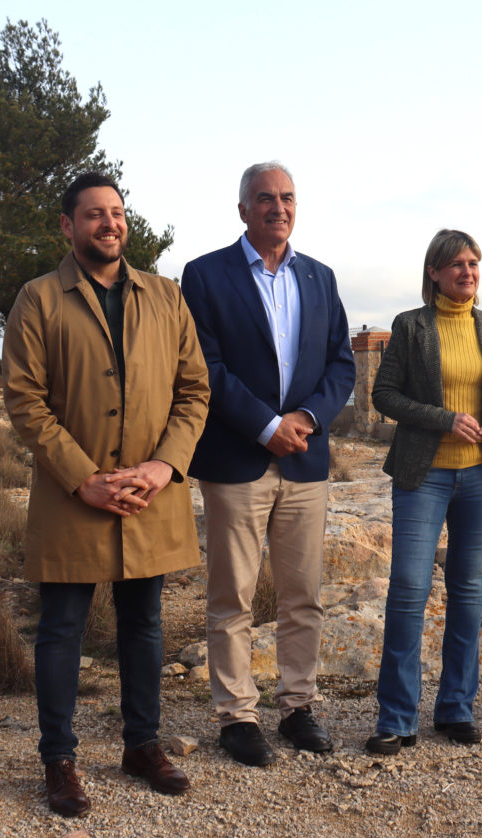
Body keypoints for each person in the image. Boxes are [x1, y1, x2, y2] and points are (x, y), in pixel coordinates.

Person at [2, 172, 210, 816]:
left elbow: (194, 391)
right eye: (94, 215)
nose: (109, 224)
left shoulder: (167, 297)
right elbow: (24, 399)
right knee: (61, 628)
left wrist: (163, 466)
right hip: (74, 496)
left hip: (150, 494)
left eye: (117, 213)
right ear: (68, 226)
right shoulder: (37, 299)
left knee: (144, 625)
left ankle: (142, 746)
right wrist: (83, 478)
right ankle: (58, 760)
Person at [180, 162, 355, 767]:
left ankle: (298, 707)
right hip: (237, 459)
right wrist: (265, 425)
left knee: (302, 594)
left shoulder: (321, 277)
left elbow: (342, 366)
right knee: (233, 595)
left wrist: (303, 419)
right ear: (242, 210)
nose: (277, 208)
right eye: (264, 199)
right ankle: (237, 716)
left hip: (305, 460)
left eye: (286, 198)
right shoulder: (204, 276)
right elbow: (206, 365)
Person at [365, 229, 482, 755]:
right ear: (434, 272)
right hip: (422, 475)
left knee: (469, 594)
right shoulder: (411, 326)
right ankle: (397, 717)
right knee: (408, 591)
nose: (467, 271)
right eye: (455, 264)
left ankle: (456, 708)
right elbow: (384, 395)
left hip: (480, 478)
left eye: (473, 262)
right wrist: (445, 419)